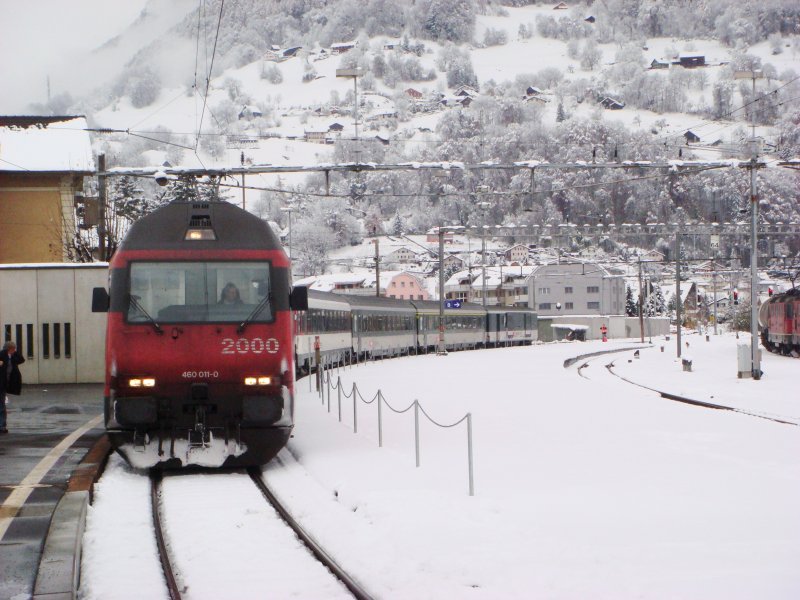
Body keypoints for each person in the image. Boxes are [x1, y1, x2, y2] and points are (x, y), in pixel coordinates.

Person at [0, 341, 25, 434]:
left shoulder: (13, 356)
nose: (15, 351)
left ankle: (2, 426)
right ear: (9, 349)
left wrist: (14, 352)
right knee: (1, 406)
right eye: (14, 349)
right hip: (1, 384)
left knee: (1, 405)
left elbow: (21, 359)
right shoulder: (2, 355)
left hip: (4, 384)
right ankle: (2, 426)